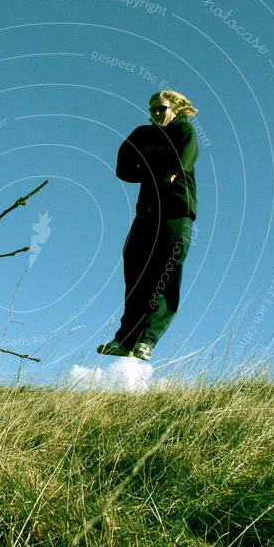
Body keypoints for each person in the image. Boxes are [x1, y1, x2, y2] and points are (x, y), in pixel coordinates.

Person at [97, 90, 199, 362]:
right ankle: (126, 339)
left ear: (175, 109)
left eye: (161, 108)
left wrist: (169, 172)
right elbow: (124, 167)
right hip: (147, 213)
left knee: (166, 274)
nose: (155, 113)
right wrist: (149, 170)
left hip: (176, 213)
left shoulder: (183, 130)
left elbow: (182, 160)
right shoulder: (142, 134)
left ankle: (147, 340)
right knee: (136, 272)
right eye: (152, 108)